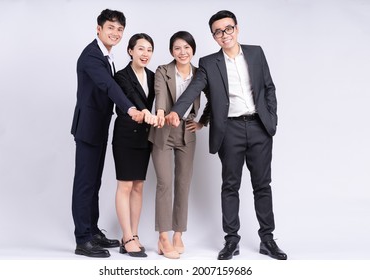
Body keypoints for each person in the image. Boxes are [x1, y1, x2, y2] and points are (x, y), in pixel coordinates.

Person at [165, 10, 287, 260]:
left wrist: (271, 119)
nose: (224, 34)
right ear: (214, 36)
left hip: (259, 128)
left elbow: (269, 87)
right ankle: (231, 240)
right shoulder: (210, 63)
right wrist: (177, 111)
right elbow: (193, 89)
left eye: (228, 28)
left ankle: (268, 239)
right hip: (229, 130)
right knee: (230, 186)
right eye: (218, 31)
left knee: (262, 185)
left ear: (237, 29)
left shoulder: (256, 53)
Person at [70, 9, 144, 258]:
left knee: (95, 182)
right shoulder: (92, 55)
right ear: (98, 29)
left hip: (99, 127)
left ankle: (92, 231)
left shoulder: (107, 56)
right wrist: (130, 108)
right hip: (88, 127)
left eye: (120, 29)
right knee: (85, 183)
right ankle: (83, 239)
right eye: (110, 28)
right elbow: (108, 85)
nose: (115, 33)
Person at [149, 31, 209, 259]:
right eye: (177, 48)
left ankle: (178, 233)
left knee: (183, 183)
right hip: (164, 129)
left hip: (187, 132)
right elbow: (160, 96)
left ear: (193, 49)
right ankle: (163, 236)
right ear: (171, 51)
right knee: (164, 183)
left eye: (186, 47)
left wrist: (203, 121)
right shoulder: (163, 71)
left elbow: (214, 98)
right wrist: (163, 113)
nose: (182, 52)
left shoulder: (200, 74)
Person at [112, 33, 157, 258]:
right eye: (141, 49)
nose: (145, 54)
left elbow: (161, 99)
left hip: (144, 137)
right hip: (125, 136)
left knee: (138, 186)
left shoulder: (152, 76)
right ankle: (127, 236)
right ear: (130, 51)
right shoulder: (121, 76)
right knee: (125, 186)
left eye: (149, 49)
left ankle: (134, 235)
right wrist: (145, 111)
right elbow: (130, 97)